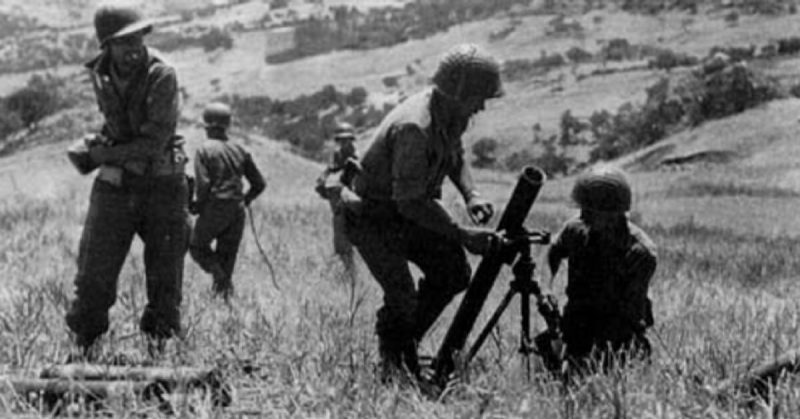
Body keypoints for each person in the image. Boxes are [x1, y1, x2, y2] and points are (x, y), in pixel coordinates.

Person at [338, 44, 505, 382]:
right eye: (479, 97)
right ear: (460, 93)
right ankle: (393, 361)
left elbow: (454, 157)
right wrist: (462, 234)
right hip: (375, 216)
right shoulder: (416, 127)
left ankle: (403, 347)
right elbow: (410, 202)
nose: (483, 106)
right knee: (402, 297)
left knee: (453, 272)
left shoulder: (450, 114)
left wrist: (471, 195)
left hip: (407, 211)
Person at [64, 3, 189, 357]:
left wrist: (103, 156)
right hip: (118, 183)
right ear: (107, 46)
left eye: (137, 39)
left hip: (162, 184)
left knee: (165, 277)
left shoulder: (162, 73)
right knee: (92, 272)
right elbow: (119, 124)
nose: (133, 49)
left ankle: (162, 354)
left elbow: (153, 143)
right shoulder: (100, 73)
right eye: (123, 43)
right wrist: (96, 142)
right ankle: (84, 348)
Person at [547, 165, 657, 376]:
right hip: (577, 327)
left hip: (617, 339)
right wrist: (547, 288)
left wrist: (580, 358)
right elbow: (554, 252)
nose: (583, 216)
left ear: (613, 214)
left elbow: (626, 318)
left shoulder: (640, 252)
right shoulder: (577, 229)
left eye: (590, 211)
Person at [189, 102, 266, 300]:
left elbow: (203, 185)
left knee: (196, 246)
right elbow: (259, 183)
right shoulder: (239, 150)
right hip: (237, 209)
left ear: (208, 127)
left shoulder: (204, 150)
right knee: (227, 256)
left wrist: (197, 206)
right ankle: (223, 299)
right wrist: (245, 200)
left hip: (216, 206)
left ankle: (218, 275)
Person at [315, 122, 359, 276]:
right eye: (340, 140)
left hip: (355, 208)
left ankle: (353, 276)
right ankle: (349, 275)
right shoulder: (337, 158)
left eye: (346, 140)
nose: (343, 143)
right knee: (341, 245)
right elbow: (323, 180)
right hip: (339, 209)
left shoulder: (358, 160)